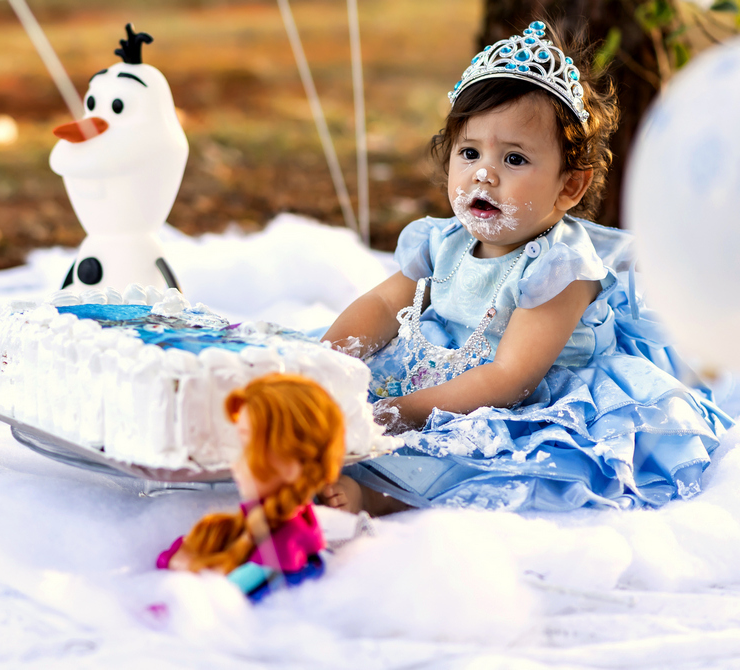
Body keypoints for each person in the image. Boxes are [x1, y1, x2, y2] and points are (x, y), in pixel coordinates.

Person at [319, 21, 733, 515]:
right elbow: (384, 303)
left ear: (569, 187)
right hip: (445, 367)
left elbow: (510, 376)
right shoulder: (442, 240)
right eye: (469, 152)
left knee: (486, 452)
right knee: (343, 397)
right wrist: (327, 361)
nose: (484, 173)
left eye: (514, 159)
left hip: (524, 393)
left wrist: (401, 411)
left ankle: (380, 493)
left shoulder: (561, 268)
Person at [157, 374, 345, 601]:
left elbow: (218, 600)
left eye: (248, 446)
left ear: (291, 465)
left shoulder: (279, 551)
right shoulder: (282, 525)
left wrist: (180, 565)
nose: (235, 463)